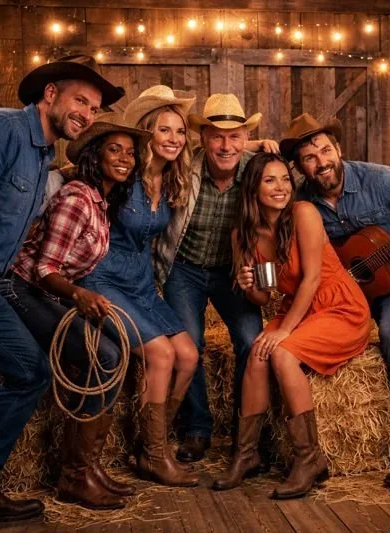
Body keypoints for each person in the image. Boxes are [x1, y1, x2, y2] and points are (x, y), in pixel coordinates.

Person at [0, 55, 123, 531]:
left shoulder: (42, 155)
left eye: (93, 109)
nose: (86, 115)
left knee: (31, 370)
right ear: (49, 94)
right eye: (80, 101)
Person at [281, 113, 390, 489]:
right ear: (299, 167)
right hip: (344, 294)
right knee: (295, 343)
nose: (321, 161)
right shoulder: (300, 203)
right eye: (310, 158)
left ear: (338, 149)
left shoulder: (380, 177)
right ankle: (306, 452)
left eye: (326, 150)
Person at [1, 116, 150, 509]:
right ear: (93, 155)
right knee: (104, 355)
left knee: (116, 350)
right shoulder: (77, 198)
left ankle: (91, 466)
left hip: (49, 293)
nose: (124, 158)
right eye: (114, 149)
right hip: (22, 289)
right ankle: (75, 475)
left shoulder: (100, 201)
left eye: (130, 152)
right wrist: (79, 295)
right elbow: (43, 268)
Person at [212, 152, 371, 498]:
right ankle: (246, 454)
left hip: (337, 305)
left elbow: (312, 279)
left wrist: (285, 331)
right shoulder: (244, 234)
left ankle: (309, 458)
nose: (281, 187)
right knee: (257, 353)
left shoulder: (303, 214)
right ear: (253, 188)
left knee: (281, 354)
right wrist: (248, 285)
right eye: (270, 180)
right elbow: (264, 298)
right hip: (296, 308)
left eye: (285, 179)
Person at [77, 86, 200, 487]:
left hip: (143, 284)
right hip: (104, 278)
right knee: (161, 354)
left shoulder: (174, 180)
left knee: (189, 355)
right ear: (147, 132)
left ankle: (149, 443)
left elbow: (226, 149)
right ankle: (153, 456)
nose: (173, 139)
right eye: (164, 130)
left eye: (180, 132)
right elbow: (75, 174)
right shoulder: (122, 174)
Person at [153, 93, 277, 463]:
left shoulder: (258, 170)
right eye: (217, 136)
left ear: (245, 138)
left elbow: (282, 213)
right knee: (188, 344)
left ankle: (248, 430)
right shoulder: (184, 164)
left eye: (236, 136)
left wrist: (266, 282)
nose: (226, 145)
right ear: (202, 138)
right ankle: (197, 429)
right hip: (185, 268)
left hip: (232, 272)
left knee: (250, 341)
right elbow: (151, 149)